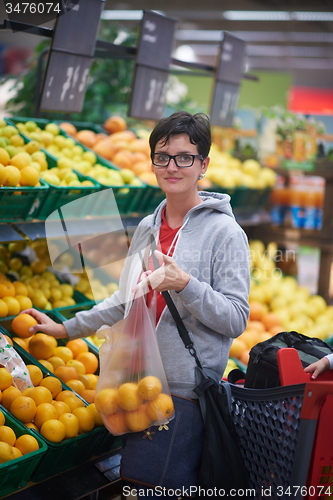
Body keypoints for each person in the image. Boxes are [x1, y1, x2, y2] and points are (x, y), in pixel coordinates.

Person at [23, 111, 250, 496]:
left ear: (203, 165)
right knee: (136, 486)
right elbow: (125, 299)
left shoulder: (226, 233)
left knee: (158, 489)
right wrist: (65, 329)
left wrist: (186, 284)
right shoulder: (148, 225)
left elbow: (236, 318)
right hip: (134, 383)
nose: (172, 166)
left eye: (184, 157)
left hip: (183, 393)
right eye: (162, 156)